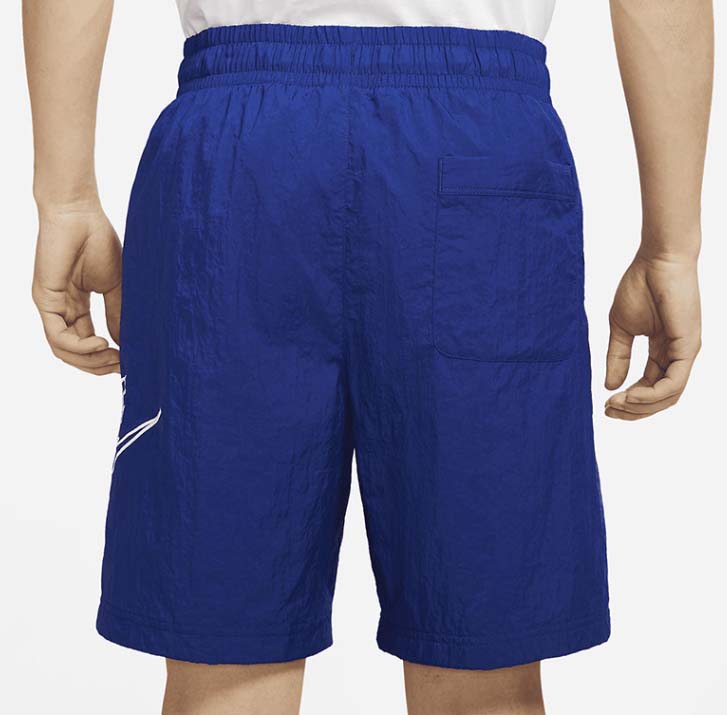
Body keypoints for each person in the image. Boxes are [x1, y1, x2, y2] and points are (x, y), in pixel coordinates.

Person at [23, 1, 712, 713]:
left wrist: (65, 198)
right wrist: (670, 246)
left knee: (225, 662)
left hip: (240, 154)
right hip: (480, 150)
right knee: (481, 671)